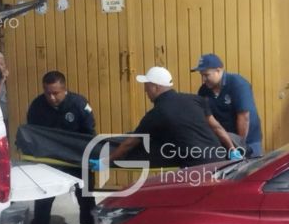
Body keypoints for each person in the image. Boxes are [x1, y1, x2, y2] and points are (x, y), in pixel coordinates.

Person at [91, 66, 233, 169]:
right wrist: (232, 149)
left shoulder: (157, 114)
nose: (145, 90)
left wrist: (105, 161)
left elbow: (129, 143)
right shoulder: (195, 100)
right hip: (221, 162)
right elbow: (217, 127)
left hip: (196, 168)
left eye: (147, 86)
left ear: (156, 87)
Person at [26, 71, 96, 224]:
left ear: (64, 90)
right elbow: (33, 134)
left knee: (86, 198)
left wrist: (89, 159)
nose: (51, 97)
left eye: (55, 93)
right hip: (50, 161)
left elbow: (89, 135)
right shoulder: (37, 106)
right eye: (47, 93)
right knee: (43, 199)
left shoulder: (79, 105)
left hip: (77, 159)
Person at [192, 53, 263, 157]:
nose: (203, 79)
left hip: (248, 142)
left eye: (206, 75)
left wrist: (240, 146)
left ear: (218, 70)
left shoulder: (238, 84)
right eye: (202, 75)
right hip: (225, 142)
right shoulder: (203, 91)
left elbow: (244, 117)